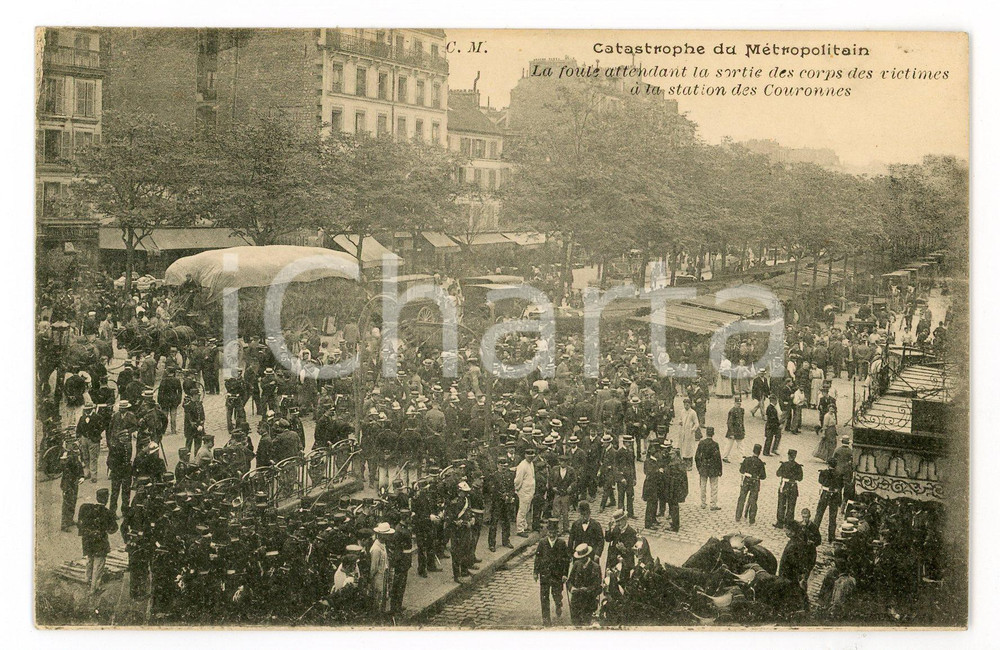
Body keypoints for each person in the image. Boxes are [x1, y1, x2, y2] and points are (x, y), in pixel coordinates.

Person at [77, 488, 118, 594]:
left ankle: (87, 581)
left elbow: (80, 523)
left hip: (87, 540)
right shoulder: (107, 513)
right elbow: (113, 529)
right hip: (100, 541)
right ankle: (94, 588)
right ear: (106, 499)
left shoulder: (85, 507)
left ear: (96, 497)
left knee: (90, 560)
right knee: (99, 565)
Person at [534, 518, 570, 625]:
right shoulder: (542, 542)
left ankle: (558, 604)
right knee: (544, 596)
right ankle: (546, 618)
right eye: (550, 532)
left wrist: (564, 574)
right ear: (547, 532)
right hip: (545, 574)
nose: (551, 535)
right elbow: (538, 558)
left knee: (556, 595)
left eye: (554, 532)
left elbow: (566, 560)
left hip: (557, 575)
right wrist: (535, 572)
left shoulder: (561, 543)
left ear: (557, 532)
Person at [566, 543, 601, 626]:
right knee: (575, 623)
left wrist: (588, 589)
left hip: (589, 600)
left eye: (582, 558)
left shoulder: (596, 567)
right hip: (576, 600)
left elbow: (598, 585)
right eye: (579, 558)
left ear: (587, 556)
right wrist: (571, 588)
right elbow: (569, 581)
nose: (580, 560)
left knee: (586, 623)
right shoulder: (576, 564)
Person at [735, 444, 767, 525]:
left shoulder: (747, 460)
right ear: (760, 452)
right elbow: (763, 476)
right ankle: (751, 519)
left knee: (742, 498)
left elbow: (741, 470)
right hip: (755, 482)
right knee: (753, 500)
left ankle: (738, 516)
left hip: (746, 480)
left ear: (753, 450)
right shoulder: (760, 463)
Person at [814, 458, 843, 542]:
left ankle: (814, 533)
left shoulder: (824, 472)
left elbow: (820, 481)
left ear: (828, 465)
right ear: (836, 465)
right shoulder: (839, 474)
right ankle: (831, 536)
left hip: (825, 494)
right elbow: (841, 485)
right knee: (832, 517)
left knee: (819, 514)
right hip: (834, 495)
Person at [774, 449, 803, 528]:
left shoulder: (784, 464)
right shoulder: (798, 466)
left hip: (784, 485)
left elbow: (778, 473)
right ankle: (789, 523)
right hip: (793, 486)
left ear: (788, 456)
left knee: (781, 504)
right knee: (791, 505)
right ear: (794, 456)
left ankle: (780, 522)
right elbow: (800, 478)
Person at [695, 427, 722, 510]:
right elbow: (718, 458)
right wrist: (720, 469)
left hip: (703, 467)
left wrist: (699, 467)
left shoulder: (701, 443)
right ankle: (713, 504)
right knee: (714, 486)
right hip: (713, 467)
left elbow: (697, 457)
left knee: (703, 485)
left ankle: (703, 503)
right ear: (713, 434)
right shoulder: (715, 444)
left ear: (706, 433)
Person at [605, 510, 637, 579]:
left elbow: (633, 550)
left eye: (620, 521)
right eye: (616, 521)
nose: (618, 523)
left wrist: (624, 549)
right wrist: (609, 529)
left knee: (623, 581)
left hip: (624, 562)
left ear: (625, 519)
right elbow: (608, 539)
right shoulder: (616, 528)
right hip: (613, 560)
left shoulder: (632, 532)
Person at [663, 447, 689, 531]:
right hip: (676, 489)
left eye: (672, 454)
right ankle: (674, 522)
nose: (670, 455)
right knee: (674, 506)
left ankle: (675, 526)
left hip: (673, 489)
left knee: (674, 506)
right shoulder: (680, 462)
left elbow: (671, 476)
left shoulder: (674, 464)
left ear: (675, 455)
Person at [370, 522, 393, 616]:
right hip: (378, 577)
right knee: (378, 597)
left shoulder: (383, 546)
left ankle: (382, 613)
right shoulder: (376, 549)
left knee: (383, 596)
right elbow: (373, 567)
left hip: (383, 575)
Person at [60, 441, 85, 531]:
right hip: (67, 483)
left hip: (74, 482)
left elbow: (79, 466)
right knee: (67, 502)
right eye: (71, 444)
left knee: (73, 501)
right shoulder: (65, 455)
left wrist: (82, 476)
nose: (74, 446)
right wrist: (64, 458)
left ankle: (69, 520)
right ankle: (64, 524)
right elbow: (61, 467)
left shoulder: (74, 455)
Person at [549, 455, 576, 534]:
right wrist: (553, 487)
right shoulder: (555, 469)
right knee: (556, 512)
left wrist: (570, 487)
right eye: (561, 461)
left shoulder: (571, 470)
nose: (562, 463)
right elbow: (550, 479)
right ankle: (557, 529)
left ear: (567, 462)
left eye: (564, 462)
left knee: (565, 512)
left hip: (566, 493)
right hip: (557, 492)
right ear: (559, 462)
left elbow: (574, 481)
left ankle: (566, 528)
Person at [514, 448, 537, 537]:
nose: (530, 457)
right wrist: (517, 490)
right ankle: (520, 529)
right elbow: (518, 480)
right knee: (522, 510)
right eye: (529, 456)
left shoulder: (531, 464)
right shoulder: (522, 465)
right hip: (524, 491)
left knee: (527, 509)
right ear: (525, 455)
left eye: (532, 456)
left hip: (530, 491)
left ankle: (524, 526)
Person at [677, 398, 700, 470]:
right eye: (684, 404)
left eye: (687, 404)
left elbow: (697, 423)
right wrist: (680, 422)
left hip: (689, 433)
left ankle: (689, 465)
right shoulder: (682, 411)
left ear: (690, 404)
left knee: (688, 449)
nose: (686, 406)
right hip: (682, 432)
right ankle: (682, 463)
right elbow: (680, 419)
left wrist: (692, 430)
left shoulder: (693, 413)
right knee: (682, 447)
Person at [722, 396, 746, 462]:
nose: (739, 405)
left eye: (740, 404)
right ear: (734, 403)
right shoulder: (732, 411)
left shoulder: (741, 410)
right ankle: (725, 456)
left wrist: (743, 430)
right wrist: (732, 433)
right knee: (729, 445)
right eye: (737, 403)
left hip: (739, 430)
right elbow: (729, 423)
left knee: (741, 444)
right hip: (733, 431)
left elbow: (742, 421)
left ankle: (742, 458)